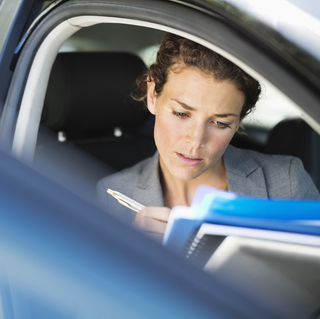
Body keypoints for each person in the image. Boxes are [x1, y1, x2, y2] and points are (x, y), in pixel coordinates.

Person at [96, 33, 320, 239]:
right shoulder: (112, 196)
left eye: (220, 123)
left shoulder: (286, 184)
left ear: (239, 121)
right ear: (153, 96)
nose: (195, 141)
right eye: (182, 113)